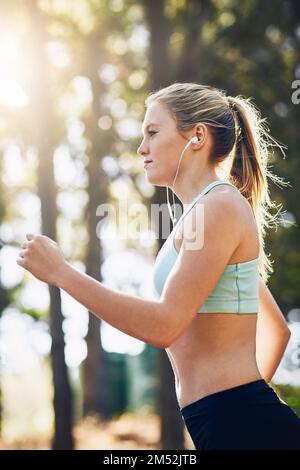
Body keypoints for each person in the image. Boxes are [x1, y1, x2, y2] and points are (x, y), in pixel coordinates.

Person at [17, 82, 300, 450]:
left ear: (196, 136)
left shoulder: (220, 206)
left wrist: (62, 273)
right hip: (226, 421)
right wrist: (221, 409)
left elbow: (165, 325)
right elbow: (277, 329)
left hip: (244, 424)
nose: (141, 148)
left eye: (152, 132)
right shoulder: (200, 216)